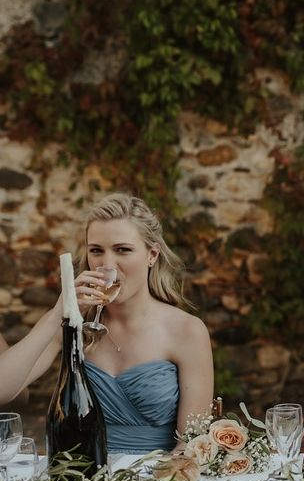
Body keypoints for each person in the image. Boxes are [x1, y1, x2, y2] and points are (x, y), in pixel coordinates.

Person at [0, 193, 214, 452]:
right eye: (96, 251)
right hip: (84, 478)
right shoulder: (74, 325)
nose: (107, 264)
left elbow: (192, 445)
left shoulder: (187, 330)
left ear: (152, 255)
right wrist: (59, 314)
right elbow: (3, 391)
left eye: (122, 250)